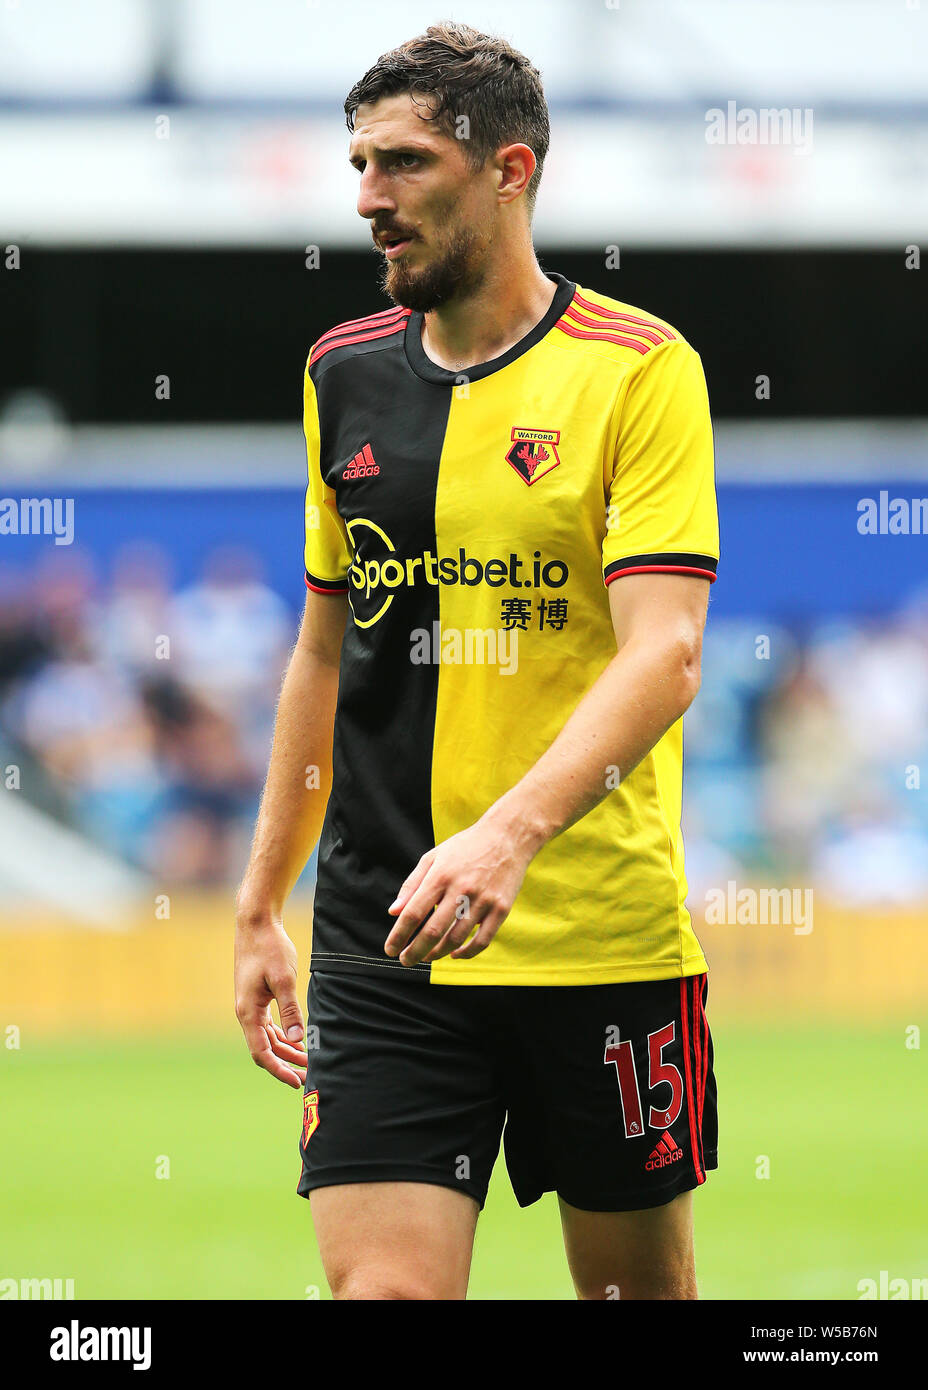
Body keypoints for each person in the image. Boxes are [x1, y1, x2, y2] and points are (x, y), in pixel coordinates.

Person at [234, 20, 719, 1301]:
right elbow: (323, 650)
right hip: (385, 938)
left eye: (402, 164)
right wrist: (256, 900)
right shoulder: (340, 373)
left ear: (509, 170)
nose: (367, 199)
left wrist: (505, 837)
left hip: (593, 936)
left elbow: (664, 655)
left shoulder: (642, 371)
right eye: (357, 164)